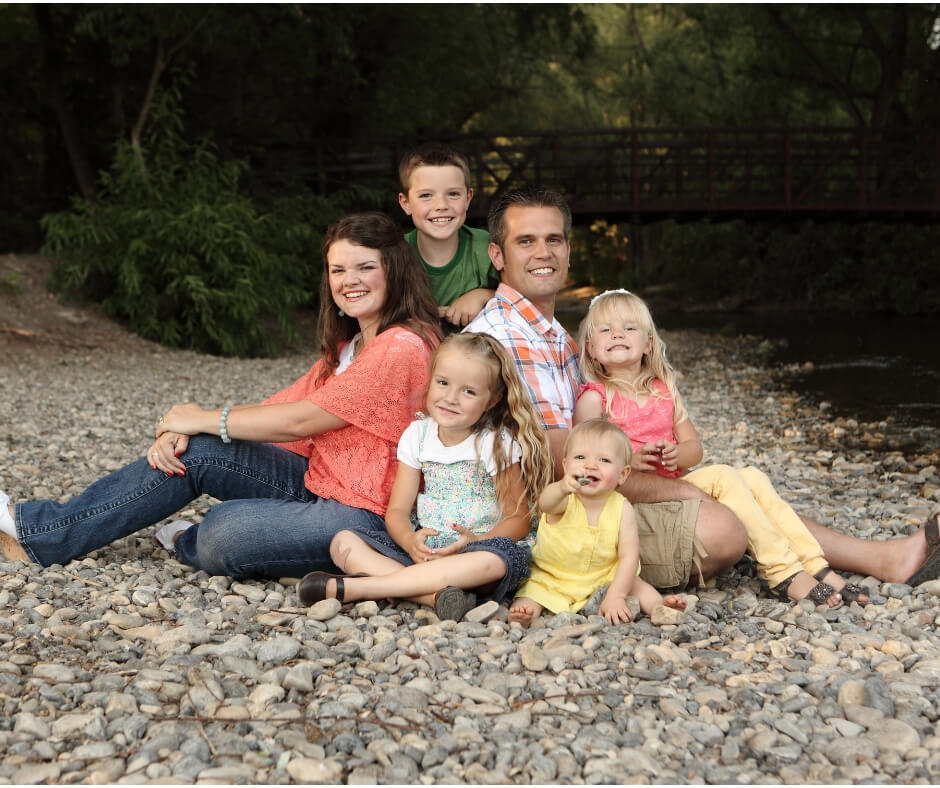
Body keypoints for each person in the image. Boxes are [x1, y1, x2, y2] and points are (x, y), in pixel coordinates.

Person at [465, 185, 940, 591]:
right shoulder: (502, 339)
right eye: (525, 241)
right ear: (497, 254)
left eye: (553, 239)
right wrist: (672, 489)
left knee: (741, 485)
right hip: (555, 518)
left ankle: (877, 557)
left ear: (568, 249)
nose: (543, 253)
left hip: (601, 484)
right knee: (722, 528)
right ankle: (833, 566)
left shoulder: (555, 338)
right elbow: (550, 458)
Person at [0, 213, 443, 578]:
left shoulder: (401, 346)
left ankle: (193, 540)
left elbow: (302, 421)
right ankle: (41, 532)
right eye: (338, 269)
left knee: (221, 534)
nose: (350, 280)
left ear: (394, 269)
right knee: (199, 450)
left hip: (367, 515)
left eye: (365, 267)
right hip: (318, 484)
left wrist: (204, 417)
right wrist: (184, 429)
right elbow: (279, 407)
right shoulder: (352, 346)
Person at [575, 288, 870, 606]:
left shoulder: (663, 393)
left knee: (752, 477)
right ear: (591, 348)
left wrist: (678, 454)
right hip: (633, 505)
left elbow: (694, 450)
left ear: (648, 343)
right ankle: (782, 572)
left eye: (629, 327)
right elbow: (585, 465)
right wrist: (628, 459)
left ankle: (816, 565)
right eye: (606, 329)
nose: (617, 334)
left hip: (674, 487)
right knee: (726, 477)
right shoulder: (596, 399)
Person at [296, 332, 551, 620]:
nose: (451, 398)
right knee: (343, 541)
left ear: (491, 400)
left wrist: (476, 541)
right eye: (443, 383)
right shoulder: (418, 435)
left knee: (494, 561)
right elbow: (398, 510)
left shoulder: (494, 443)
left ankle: (363, 588)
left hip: (475, 554)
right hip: (427, 553)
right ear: (430, 382)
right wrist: (409, 542)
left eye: (468, 391)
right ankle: (433, 596)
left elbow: (518, 520)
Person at [509, 418, 688, 627]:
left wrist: (617, 595)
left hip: (603, 575)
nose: (590, 465)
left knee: (636, 583)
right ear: (565, 465)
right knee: (534, 591)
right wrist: (562, 487)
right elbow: (545, 503)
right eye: (580, 457)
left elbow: (629, 556)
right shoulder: (565, 497)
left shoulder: (623, 509)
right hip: (553, 575)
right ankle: (524, 614)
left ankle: (660, 608)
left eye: (604, 460)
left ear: (623, 474)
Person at [398, 142, 498, 327]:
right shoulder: (395, 254)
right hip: (414, 351)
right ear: (406, 203)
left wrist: (484, 295)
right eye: (426, 196)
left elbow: (523, 298)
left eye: (453, 194)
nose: (441, 205)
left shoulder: (485, 247)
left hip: (478, 352)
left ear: (468, 199)